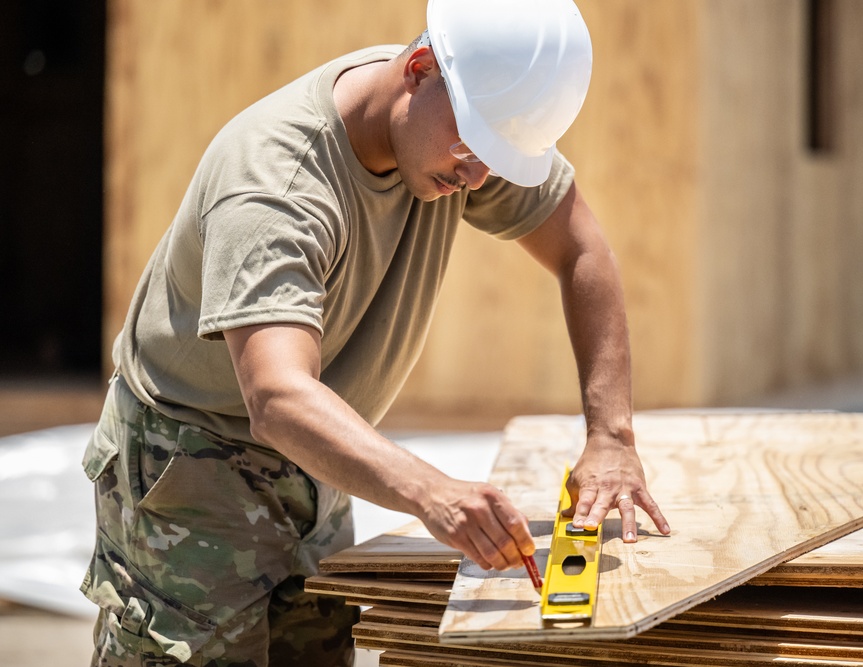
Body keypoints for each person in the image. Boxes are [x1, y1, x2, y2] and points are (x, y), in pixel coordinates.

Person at [80, 0, 671, 664]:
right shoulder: (276, 185)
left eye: (496, 158)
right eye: (473, 146)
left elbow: (583, 250)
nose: (476, 176)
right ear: (419, 69)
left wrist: (612, 435)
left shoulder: (451, 128)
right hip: (189, 465)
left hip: (321, 450)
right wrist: (432, 492)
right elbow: (276, 397)